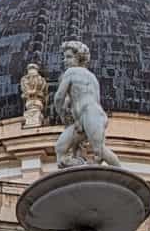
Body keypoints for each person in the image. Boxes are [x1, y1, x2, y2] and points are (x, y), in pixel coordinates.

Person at [51, 40, 126, 170]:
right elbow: (85, 98)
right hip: (87, 118)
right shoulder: (92, 78)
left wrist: (62, 114)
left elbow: (58, 97)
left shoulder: (71, 72)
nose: (64, 60)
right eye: (65, 57)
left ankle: (122, 173)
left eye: (69, 57)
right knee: (60, 148)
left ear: (79, 58)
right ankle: (79, 166)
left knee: (100, 151)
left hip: (90, 115)